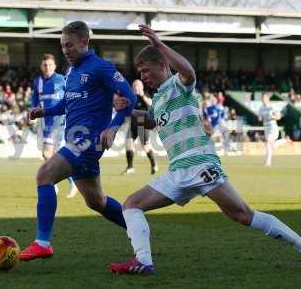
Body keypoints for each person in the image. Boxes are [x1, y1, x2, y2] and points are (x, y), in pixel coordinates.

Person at [108, 25, 301, 275]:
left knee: (243, 215)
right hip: (178, 170)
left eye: (145, 71)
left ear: (162, 64)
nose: (143, 77)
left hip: (200, 165)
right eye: (140, 73)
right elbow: (151, 121)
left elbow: (188, 71)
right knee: (132, 204)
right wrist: (123, 110)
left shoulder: (180, 84)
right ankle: (143, 261)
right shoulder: (158, 99)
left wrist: (159, 44)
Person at [19, 21, 136, 261]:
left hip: (88, 140)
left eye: (69, 45)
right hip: (75, 140)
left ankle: (43, 242)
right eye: (62, 45)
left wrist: (113, 127)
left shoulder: (101, 67)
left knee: (44, 175)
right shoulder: (71, 71)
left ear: (85, 42)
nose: (65, 50)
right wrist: (45, 111)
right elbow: (67, 103)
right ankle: (138, 228)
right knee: (96, 201)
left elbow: (130, 97)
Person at [31, 53, 77, 198]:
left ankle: (56, 182)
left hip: (60, 121)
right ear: (41, 66)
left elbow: (70, 97)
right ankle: (65, 181)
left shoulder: (61, 80)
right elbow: (34, 99)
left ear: (55, 66)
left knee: (50, 154)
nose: (47, 68)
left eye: (50, 65)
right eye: (45, 65)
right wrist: (33, 112)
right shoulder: (37, 82)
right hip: (45, 122)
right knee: (47, 155)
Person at [122, 79, 158, 175]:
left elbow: (151, 105)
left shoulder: (145, 95)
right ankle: (130, 167)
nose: (135, 87)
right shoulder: (131, 97)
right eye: (134, 86)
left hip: (143, 124)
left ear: (141, 87)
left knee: (145, 146)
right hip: (133, 124)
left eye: (137, 85)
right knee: (128, 143)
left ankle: (154, 164)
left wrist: (142, 95)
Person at [258, 92, 292, 166]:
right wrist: (260, 118)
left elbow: (279, 117)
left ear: (268, 99)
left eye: (265, 98)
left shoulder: (272, 107)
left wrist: (272, 117)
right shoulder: (261, 108)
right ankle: (285, 140)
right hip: (266, 129)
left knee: (268, 143)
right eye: (262, 98)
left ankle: (268, 162)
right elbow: (260, 118)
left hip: (273, 128)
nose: (263, 99)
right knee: (271, 146)